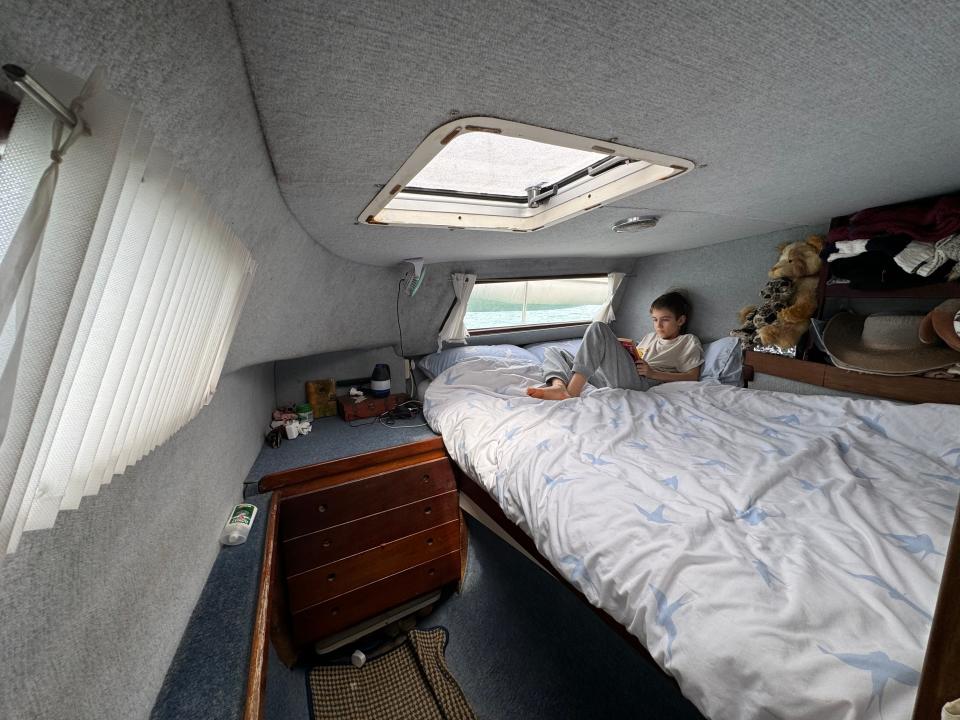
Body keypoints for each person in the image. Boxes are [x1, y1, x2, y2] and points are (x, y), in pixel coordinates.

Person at [526, 291, 703, 400]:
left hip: (642, 381)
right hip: (620, 375)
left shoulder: (688, 341)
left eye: (665, 320)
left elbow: (693, 377)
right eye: (655, 320)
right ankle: (558, 385)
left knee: (598, 328)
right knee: (554, 351)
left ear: (681, 320)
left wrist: (653, 373)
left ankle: (571, 393)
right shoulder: (650, 337)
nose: (658, 325)